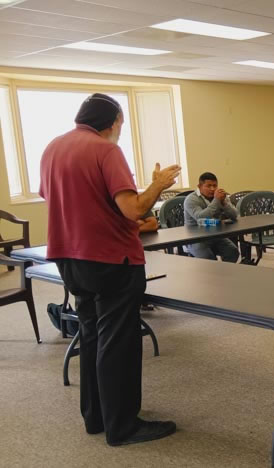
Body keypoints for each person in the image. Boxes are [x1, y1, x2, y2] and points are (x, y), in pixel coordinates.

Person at [40, 93, 180, 446]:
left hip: (69, 259)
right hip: (111, 260)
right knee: (119, 342)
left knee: (91, 335)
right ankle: (123, 426)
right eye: (121, 124)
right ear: (113, 121)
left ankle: (96, 416)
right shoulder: (106, 150)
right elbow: (133, 209)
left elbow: (58, 197)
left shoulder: (53, 147)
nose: (121, 130)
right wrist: (158, 185)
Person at [183, 172, 240, 263]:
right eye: (208, 186)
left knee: (232, 252)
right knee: (209, 260)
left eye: (215, 186)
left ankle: (224, 272)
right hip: (195, 238)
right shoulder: (191, 199)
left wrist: (224, 203)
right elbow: (200, 217)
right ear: (199, 186)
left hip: (215, 234)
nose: (212, 189)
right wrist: (216, 201)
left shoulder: (220, 196)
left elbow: (234, 215)